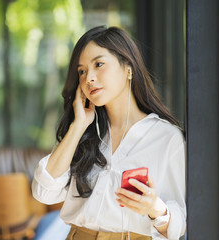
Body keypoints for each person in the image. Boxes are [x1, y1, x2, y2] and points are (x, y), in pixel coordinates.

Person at [31, 26, 186, 240]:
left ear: (128, 68)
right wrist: (78, 126)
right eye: (82, 71)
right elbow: (43, 191)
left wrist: (155, 207)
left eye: (99, 64)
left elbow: (180, 223)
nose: (89, 78)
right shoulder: (85, 133)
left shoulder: (166, 137)